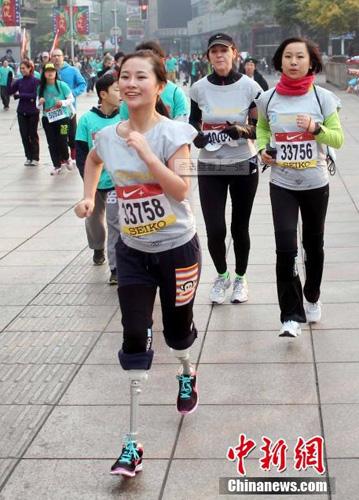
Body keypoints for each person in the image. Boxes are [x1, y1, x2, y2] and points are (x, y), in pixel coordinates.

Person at [74, 49, 200, 477]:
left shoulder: (175, 134)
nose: (130, 83)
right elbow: (92, 160)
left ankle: (186, 369)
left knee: (178, 333)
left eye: (140, 76)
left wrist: (147, 156)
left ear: (159, 85)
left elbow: (181, 190)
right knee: (134, 334)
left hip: (178, 249)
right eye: (123, 76)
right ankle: (132, 443)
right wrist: (90, 195)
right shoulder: (108, 135)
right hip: (132, 253)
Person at [256, 37, 344, 338]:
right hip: (282, 183)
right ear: (280, 61)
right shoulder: (267, 99)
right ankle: (290, 315)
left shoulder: (323, 99)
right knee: (285, 249)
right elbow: (263, 128)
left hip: (315, 183)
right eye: (288, 57)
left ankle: (313, 294)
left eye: (299, 57)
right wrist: (262, 150)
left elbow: (338, 139)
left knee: (313, 246)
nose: (293, 62)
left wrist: (316, 129)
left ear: (311, 62)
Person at [190, 33, 262, 304]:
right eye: (214, 51)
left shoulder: (250, 87)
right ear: (208, 56)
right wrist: (196, 135)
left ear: (234, 52)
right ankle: (222, 276)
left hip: (243, 163)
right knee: (216, 229)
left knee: (239, 228)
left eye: (224, 50)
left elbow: (260, 128)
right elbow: (193, 121)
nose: (219, 55)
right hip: (211, 164)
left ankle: (241, 279)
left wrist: (242, 129)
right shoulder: (198, 88)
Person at [76, 73, 121, 284]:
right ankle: (97, 248)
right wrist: (87, 184)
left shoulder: (124, 118)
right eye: (116, 90)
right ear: (103, 94)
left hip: (116, 183)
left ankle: (115, 268)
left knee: (115, 223)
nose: (121, 93)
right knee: (94, 221)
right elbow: (81, 153)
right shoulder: (86, 120)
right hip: (94, 183)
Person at [119, 40, 189, 121]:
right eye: (125, 77)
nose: (131, 84)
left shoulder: (175, 93)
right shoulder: (130, 98)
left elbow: (181, 126)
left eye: (141, 77)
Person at [36, 62, 74, 175]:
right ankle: (56, 165)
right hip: (48, 120)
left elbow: (71, 99)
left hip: (63, 119)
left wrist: (62, 102)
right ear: (44, 74)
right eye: (47, 71)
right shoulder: (41, 87)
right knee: (51, 142)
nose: (50, 73)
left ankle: (67, 158)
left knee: (62, 140)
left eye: (52, 71)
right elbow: (37, 105)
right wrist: (40, 102)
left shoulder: (62, 85)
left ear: (55, 73)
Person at [51, 48, 86, 163]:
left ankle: (74, 155)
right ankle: (63, 156)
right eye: (54, 56)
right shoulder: (49, 72)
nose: (56, 58)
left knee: (71, 134)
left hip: (69, 110)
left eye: (58, 55)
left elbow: (82, 85)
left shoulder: (72, 70)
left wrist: (72, 94)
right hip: (54, 111)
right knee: (60, 135)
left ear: (63, 57)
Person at [8, 59, 40, 166]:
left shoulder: (36, 81)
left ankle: (35, 158)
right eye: (20, 68)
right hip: (21, 112)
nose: (22, 70)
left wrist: (20, 95)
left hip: (33, 112)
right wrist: (9, 81)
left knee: (33, 135)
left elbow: (35, 95)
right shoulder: (19, 81)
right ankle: (28, 157)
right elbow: (9, 92)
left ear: (30, 68)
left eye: (24, 68)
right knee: (24, 135)